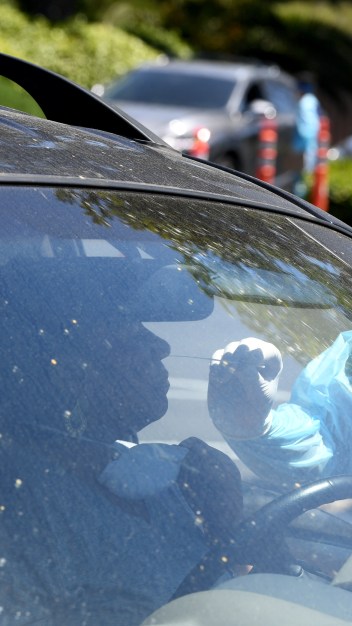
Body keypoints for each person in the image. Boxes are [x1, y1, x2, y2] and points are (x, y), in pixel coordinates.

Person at [0, 260, 240, 624]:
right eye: (128, 333)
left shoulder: (168, 486)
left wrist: (226, 524)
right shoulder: (24, 504)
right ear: (67, 372)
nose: (160, 345)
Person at [292, 71, 321, 198]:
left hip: (303, 146)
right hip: (310, 144)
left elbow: (306, 128)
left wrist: (303, 146)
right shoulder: (313, 101)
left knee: (300, 180)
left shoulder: (304, 103)